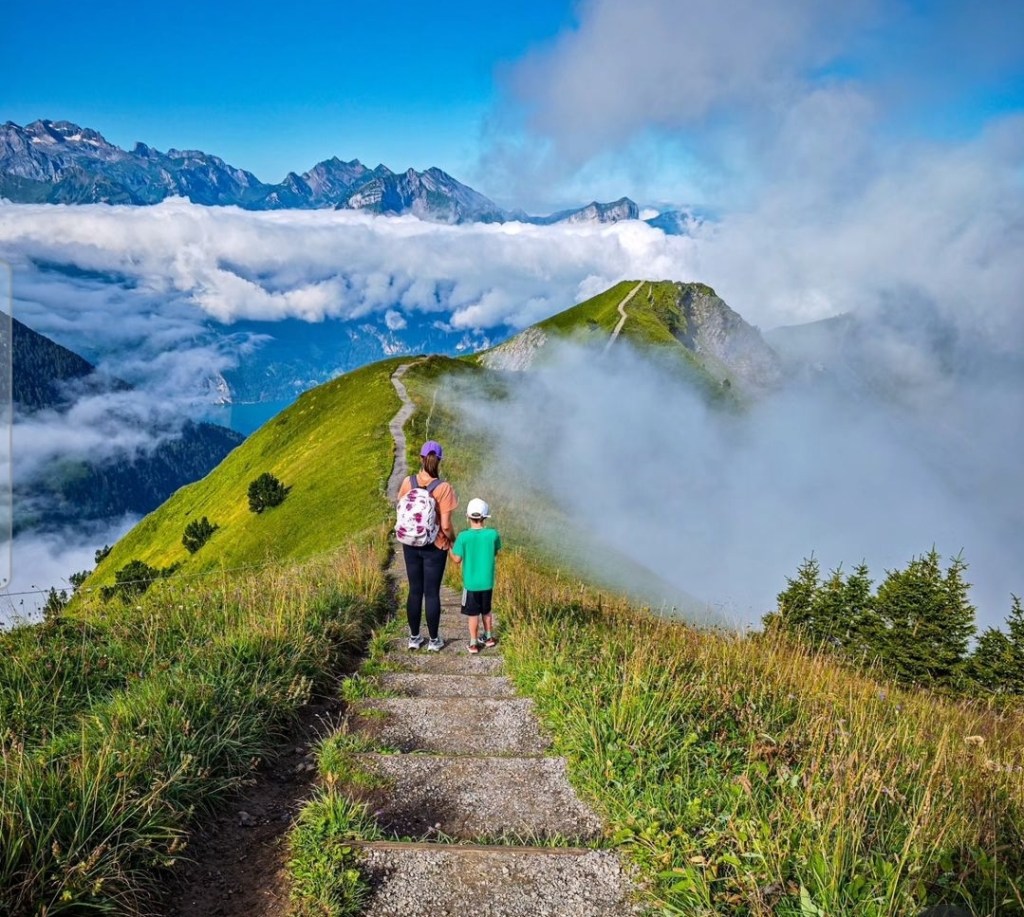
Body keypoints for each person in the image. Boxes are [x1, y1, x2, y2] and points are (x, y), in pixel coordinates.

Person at [397, 441, 457, 651]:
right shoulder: (444, 488)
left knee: (415, 591)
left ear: (421, 458)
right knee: (431, 593)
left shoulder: (408, 482)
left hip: (410, 543)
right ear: (439, 460)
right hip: (435, 545)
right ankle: (433, 640)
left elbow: (401, 509)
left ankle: (414, 638)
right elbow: (446, 526)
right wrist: (453, 540)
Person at [450, 497, 501, 654]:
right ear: (485, 517)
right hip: (487, 582)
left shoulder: (463, 536)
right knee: (486, 611)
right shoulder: (493, 534)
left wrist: (448, 548)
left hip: (471, 584)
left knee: (473, 614)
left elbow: (457, 560)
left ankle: (473, 643)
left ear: (468, 516)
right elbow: (495, 552)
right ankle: (488, 638)